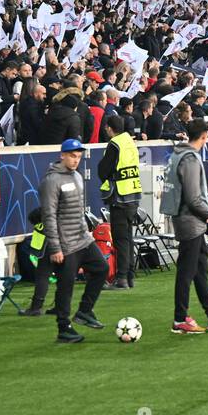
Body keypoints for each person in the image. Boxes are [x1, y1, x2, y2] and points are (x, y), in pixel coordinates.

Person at [39, 138, 107, 343]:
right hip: (65, 244)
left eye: (78, 156)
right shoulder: (51, 181)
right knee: (65, 287)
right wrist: (55, 248)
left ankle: (85, 310)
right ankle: (64, 328)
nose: (76, 160)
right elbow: (48, 216)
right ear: (62, 155)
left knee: (102, 269)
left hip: (83, 239)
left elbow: (78, 210)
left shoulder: (77, 177)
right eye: (72, 156)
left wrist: (87, 232)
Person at [169, 119, 208, 334]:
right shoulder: (190, 159)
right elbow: (194, 198)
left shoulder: (177, 155)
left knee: (200, 269)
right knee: (186, 271)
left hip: (186, 220)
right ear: (204, 136)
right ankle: (179, 318)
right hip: (190, 221)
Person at [97, 114, 142, 290]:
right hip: (133, 194)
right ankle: (129, 275)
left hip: (120, 196)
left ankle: (121, 278)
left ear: (109, 128)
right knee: (128, 238)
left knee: (121, 239)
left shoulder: (115, 144)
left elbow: (104, 170)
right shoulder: (130, 142)